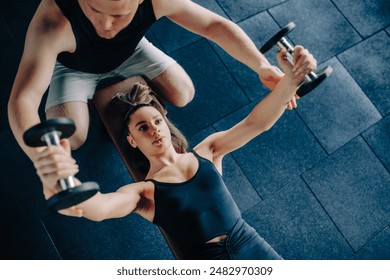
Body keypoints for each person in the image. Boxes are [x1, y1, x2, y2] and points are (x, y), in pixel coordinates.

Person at [34, 46, 316, 259]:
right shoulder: (143, 193)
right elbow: (101, 208)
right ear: (132, 141)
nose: (155, 129)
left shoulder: (208, 151)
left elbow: (256, 123)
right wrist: (66, 189)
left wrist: (291, 80)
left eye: (157, 121)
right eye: (143, 128)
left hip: (253, 247)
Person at [8, 0, 293, 165]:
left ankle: (137, 112)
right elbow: (24, 99)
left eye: (119, 15)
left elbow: (212, 25)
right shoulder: (52, 20)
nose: (107, 24)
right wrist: (43, 160)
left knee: (184, 93)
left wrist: (261, 65)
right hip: (71, 66)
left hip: (130, 51)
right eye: (96, 11)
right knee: (73, 138)